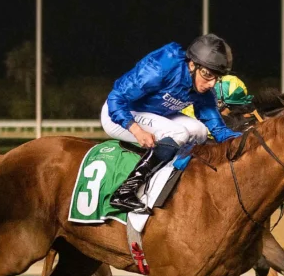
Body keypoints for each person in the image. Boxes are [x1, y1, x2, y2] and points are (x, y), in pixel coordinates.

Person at [100, 33, 242, 214]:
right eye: (207, 75)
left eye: (217, 78)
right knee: (178, 133)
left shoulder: (201, 86)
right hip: (119, 114)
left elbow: (218, 129)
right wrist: (136, 130)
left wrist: (244, 138)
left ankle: (172, 182)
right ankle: (125, 191)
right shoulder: (162, 66)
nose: (210, 84)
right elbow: (116, 98)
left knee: (200, 130)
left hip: (154, 114)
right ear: (192, 64)